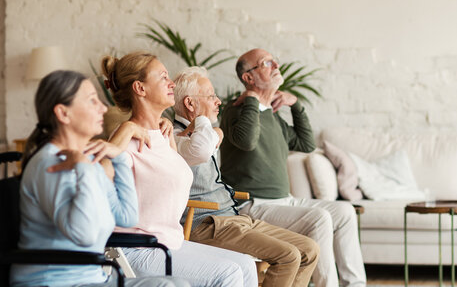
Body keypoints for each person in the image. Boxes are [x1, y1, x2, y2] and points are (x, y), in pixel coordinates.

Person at [10, 70, 189, 287]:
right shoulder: (51, 163)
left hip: (96, 279)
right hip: (58, 282)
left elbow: (126, 217)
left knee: (179, 284)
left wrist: (119, 160)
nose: (103, 108)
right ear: (63, 113)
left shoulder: (86, 160)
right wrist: (85, 170)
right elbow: (82, 234)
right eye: (92, 101)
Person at [101, 52, 257, 287]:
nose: (171, 82)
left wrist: (168, 133)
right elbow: (96, 184)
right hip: (136, 248)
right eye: (163, 77)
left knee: (245, 264)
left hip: (169, 241)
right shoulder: (126, 140)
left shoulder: (163, 133)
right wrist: (124, 130)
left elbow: (178, 170)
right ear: (140, 88)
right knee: (228, 274)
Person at [219, 48, 367, 287]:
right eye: (267, 63)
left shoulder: (273, 117)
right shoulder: (234, 110)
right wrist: (252, 100)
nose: (276, 65)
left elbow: (306, 144)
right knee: (319, 219)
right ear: (248, 77)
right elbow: (247, 140)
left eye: (274, 61)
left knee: (345, 212)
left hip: (284, 201)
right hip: (251, 205)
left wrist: (295, 105)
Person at [172, 66, 319, 287]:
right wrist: (210, 127)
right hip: (207, 224)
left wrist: (216, 131)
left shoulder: (205, 134)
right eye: (211, 95)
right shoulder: (175, 136)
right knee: (288, 256)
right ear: (190, 103)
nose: (218, 101)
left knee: (309, 249)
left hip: (233, 218)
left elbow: (212, 139)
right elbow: (200, 147)